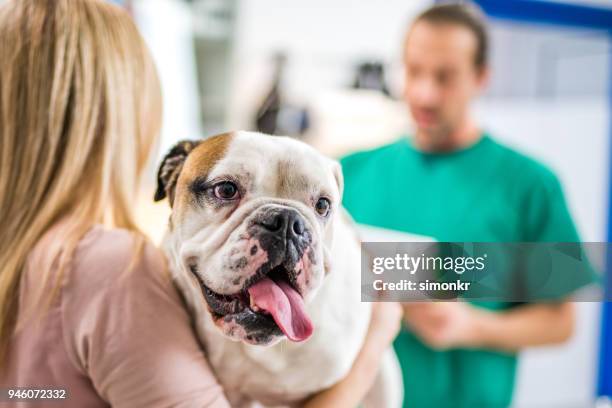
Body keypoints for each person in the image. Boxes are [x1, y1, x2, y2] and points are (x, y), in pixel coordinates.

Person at [0, 1, 401, 407]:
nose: (422, 89)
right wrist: (379, 334)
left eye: (319, 208)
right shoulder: (114, 268)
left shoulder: (25, 249)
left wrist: (447, 304)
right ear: (126, 119)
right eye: (227, 191)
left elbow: (448, 269)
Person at [341, 3, 593, 408]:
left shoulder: (529, 185)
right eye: (414, 70)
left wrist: (471, 326)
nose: (424, 93)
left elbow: (561, 322)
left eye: (445, 77)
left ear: (481, 77)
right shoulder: (349, 175)